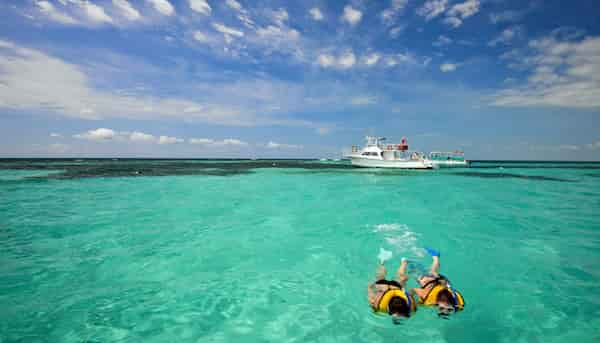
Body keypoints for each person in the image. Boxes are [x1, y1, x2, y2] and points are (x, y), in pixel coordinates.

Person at [412, 248, 465, 318]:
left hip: (443, 283)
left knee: (431, 273)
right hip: (434, 281)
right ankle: (435, 257)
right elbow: (413, 290)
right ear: (436, 303)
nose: (445, 312)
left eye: (449, 310)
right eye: (443, 308)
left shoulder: (458, 305)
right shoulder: (426, 297)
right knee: (426, 275)